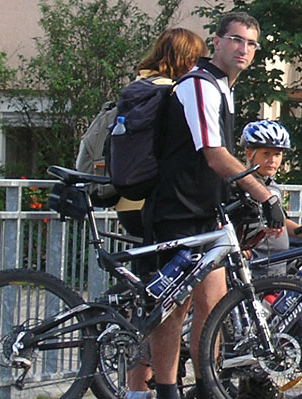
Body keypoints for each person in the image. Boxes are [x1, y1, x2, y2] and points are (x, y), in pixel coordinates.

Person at [142, 12, 281, 399]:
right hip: (177, 211)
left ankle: (207, 387)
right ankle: (166, 390)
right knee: (174, 308)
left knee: (214, 305)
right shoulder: (199, 85)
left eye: (251, 43)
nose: (243, 49)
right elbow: (214, 154)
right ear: (216, 42)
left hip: (206, 214)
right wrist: (265, 194)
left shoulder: (223, 87)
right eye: (236, 40)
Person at [112, 26, 206, 399]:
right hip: (160, 204)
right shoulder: (173, 95)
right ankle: (148, 387)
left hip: (130, 202)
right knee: (167, 304)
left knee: (154, 300)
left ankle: (138, 389)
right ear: (185, 59)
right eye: (196, 58)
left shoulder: (138, 88)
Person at [239, 120, 302, 269]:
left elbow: (281, 221)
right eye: (266, 154)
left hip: (278, 265)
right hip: (254, 268)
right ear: (250, 154)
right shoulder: (242, 185)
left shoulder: (272, 185)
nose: (272, 160)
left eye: (277, 154)